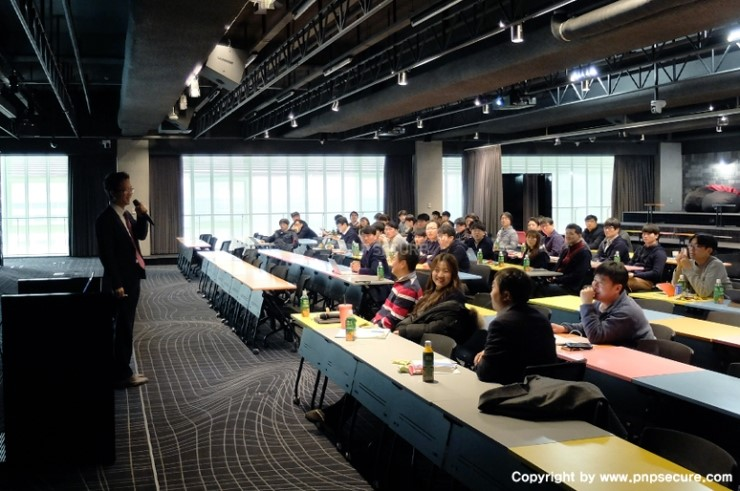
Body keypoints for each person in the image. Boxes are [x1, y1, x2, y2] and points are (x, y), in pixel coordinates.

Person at [95, 171, 150, 388]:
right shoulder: (105, 220)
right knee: (123, 327)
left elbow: (141, 235)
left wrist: (142, 216)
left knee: (127, 325)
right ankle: (123, 374)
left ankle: (121, 370)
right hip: (121, 282)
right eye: (126, 190)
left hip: (132, 277)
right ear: (113, 193)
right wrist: (117, 283)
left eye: (130, 189)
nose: (129, 193)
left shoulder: (126, 215)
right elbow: (107, 255)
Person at [474, 268, 558, 384]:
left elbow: (485, 373)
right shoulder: (542, 319)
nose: (491, 293)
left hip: (511, 388)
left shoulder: (500, 324)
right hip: (541, 387)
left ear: (506, 295)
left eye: (493, 287)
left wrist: (481, 360)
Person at [552, 261, 655, 347]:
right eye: (594, 280)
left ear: (617, 288)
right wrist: (565, 328)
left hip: (638, 358)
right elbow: (590, 326)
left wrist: (587, 305)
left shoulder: (627, 311)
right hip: (615, 353)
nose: (594, 286)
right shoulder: (602, 302)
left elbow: (595, 336)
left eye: (600, 283)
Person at [395, 254, 478, 345]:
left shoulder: (455, 299)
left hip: (434, 345)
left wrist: (405, 331)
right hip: (417, 338)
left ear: (453, 274)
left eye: (446, 271)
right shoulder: (431, 292)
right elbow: (416, 316)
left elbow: (437, 327)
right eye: (437, 270)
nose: (440, 275)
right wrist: (401, 326)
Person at [372, 245, 423, 330]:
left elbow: (392, 321)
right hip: (379, 326)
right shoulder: (402, 283)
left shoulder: (409, 289)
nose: (392, 263)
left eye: (394, 259)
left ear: (402, 264)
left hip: (387, 333)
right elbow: (385, 311)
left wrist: (373, 328)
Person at [672, 233, 732, 298]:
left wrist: (688, 268)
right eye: (690, 245)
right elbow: (675, 288)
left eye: (697, 246)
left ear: (709, 250)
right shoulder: (689, 263)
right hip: (697, 302)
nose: (692, 249)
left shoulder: (716, 265)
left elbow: (704, 292)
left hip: (720, 302)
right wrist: (679, 266)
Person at [541, 223, 592, 296]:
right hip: (559, 281)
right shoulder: (566, 250)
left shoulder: (584, 252)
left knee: (543, 289)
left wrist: (556, 279)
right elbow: (556, 267)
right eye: (566, 233)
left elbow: (577, 275)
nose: (568, 236)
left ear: (579, 235)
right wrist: (550, 277)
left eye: (571, 234)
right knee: (537, 284)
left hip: (571, 287)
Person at [627, 224, 667, 292]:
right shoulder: (639, 249)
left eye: (648, 234)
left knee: (623, 282)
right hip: (633, 277)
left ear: (656, 236)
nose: (645, 236)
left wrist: (635, 275)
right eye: (644, 234)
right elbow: (630, 264)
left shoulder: (659, 253)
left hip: (648, 282)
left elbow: (656, 273)